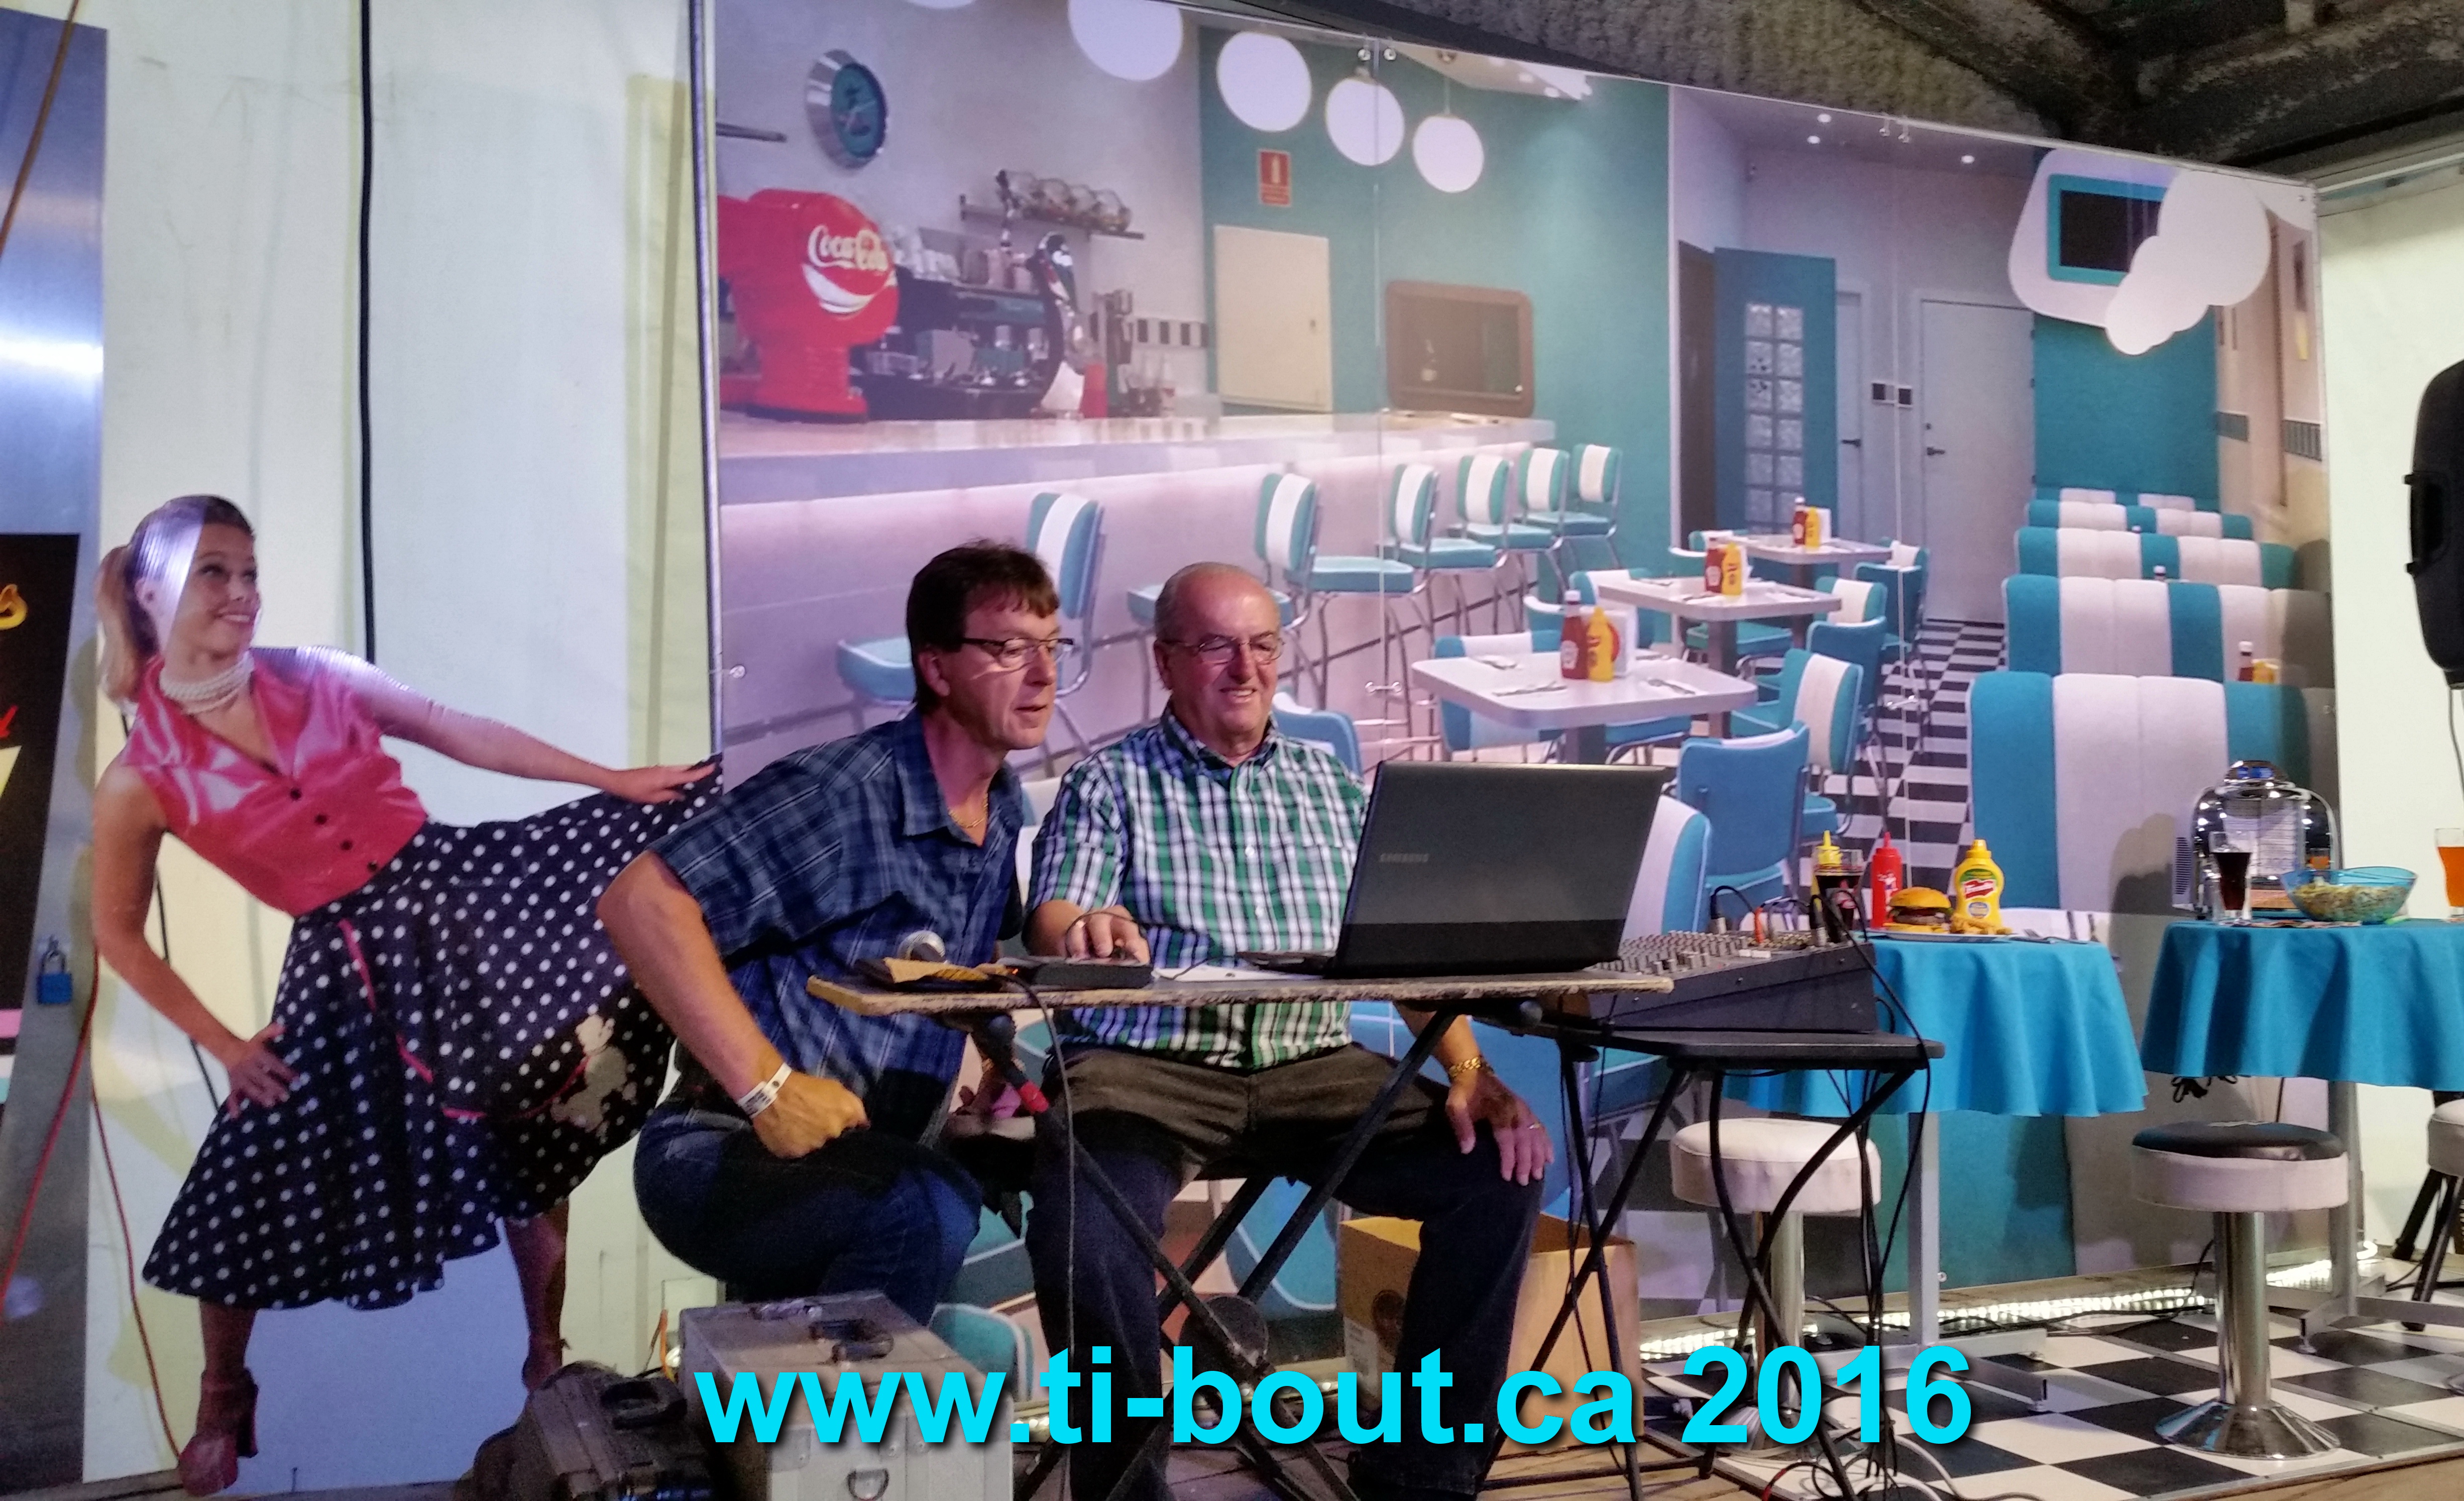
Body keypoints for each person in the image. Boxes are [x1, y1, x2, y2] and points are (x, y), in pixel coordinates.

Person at [92, 495, 712, 1496]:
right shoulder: (140, 778)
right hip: (345, 956)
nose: (243, 594)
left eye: (250, 572)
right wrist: (226, 1045)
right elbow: (118, 933)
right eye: (215, 573)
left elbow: (452, 730)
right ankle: (223, 1387)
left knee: (537, 1093)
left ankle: (543, 1350)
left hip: (460, 896)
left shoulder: (317, 674)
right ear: (154, 590)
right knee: (252, 1159)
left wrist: (611, 779)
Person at [1026, 562, 1551, 1501]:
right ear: (1166, 662)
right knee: (1086, 1226)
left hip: (1316, 1066)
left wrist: (1471, 1068)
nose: (1246, 668)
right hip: (1146, 1071)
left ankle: (1423, 1480)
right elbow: (1054, 913)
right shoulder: (1109, 781)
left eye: (1263, 644)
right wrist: (1086, 927)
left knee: (1495, 1170)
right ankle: (1125, 1490)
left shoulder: (1330, 785)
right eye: (1217, 646)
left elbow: (1399, 955)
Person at [600, 541, 1061, 1325]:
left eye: (1053, 646)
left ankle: (1105, 1410)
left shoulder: (1001, 807)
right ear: (937, 668)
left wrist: (993, 1065)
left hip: (875, 1154)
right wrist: (770, 1090)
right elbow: (640, 902)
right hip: (720, 1143)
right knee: (924, 1207)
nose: (1044, 674)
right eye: (1010, 649)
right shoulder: (844, 792)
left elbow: (964, 962)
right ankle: (842, 1409)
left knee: (1078, 1173)